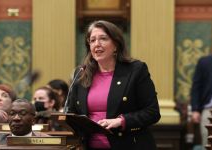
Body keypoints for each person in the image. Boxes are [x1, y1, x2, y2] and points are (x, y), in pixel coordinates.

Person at [68, 20, 160, 150]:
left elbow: (152, 112)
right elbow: (72, 112)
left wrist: (121, 121)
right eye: (92, 40)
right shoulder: (81, 73)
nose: (97, 44)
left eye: (103, 39)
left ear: (116, 44)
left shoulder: (135, 70)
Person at [191, 35, 212, 149]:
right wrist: (195, 110)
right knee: (207, 143)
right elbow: (196, 87)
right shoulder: (205, 62)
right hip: (209, 110)